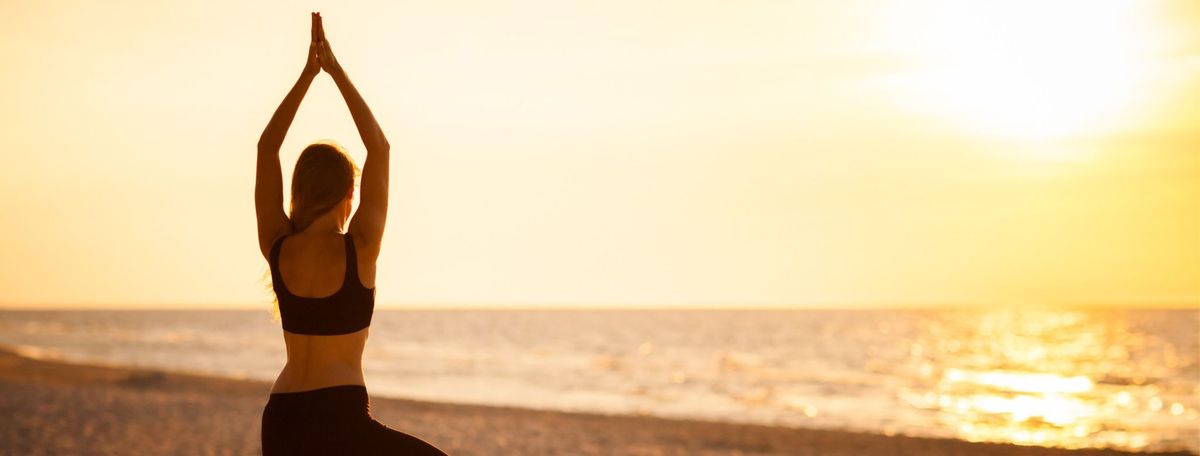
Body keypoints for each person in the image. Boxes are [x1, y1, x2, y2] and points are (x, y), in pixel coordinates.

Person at [255, 12, 448, 455]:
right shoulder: (360, 248)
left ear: (299, 191)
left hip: (282, 418)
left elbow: (267, 148)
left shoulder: (277, 246)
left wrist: (307, 76)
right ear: (349, 193)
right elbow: (379, 147)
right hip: (340, 421)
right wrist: (335, 71)